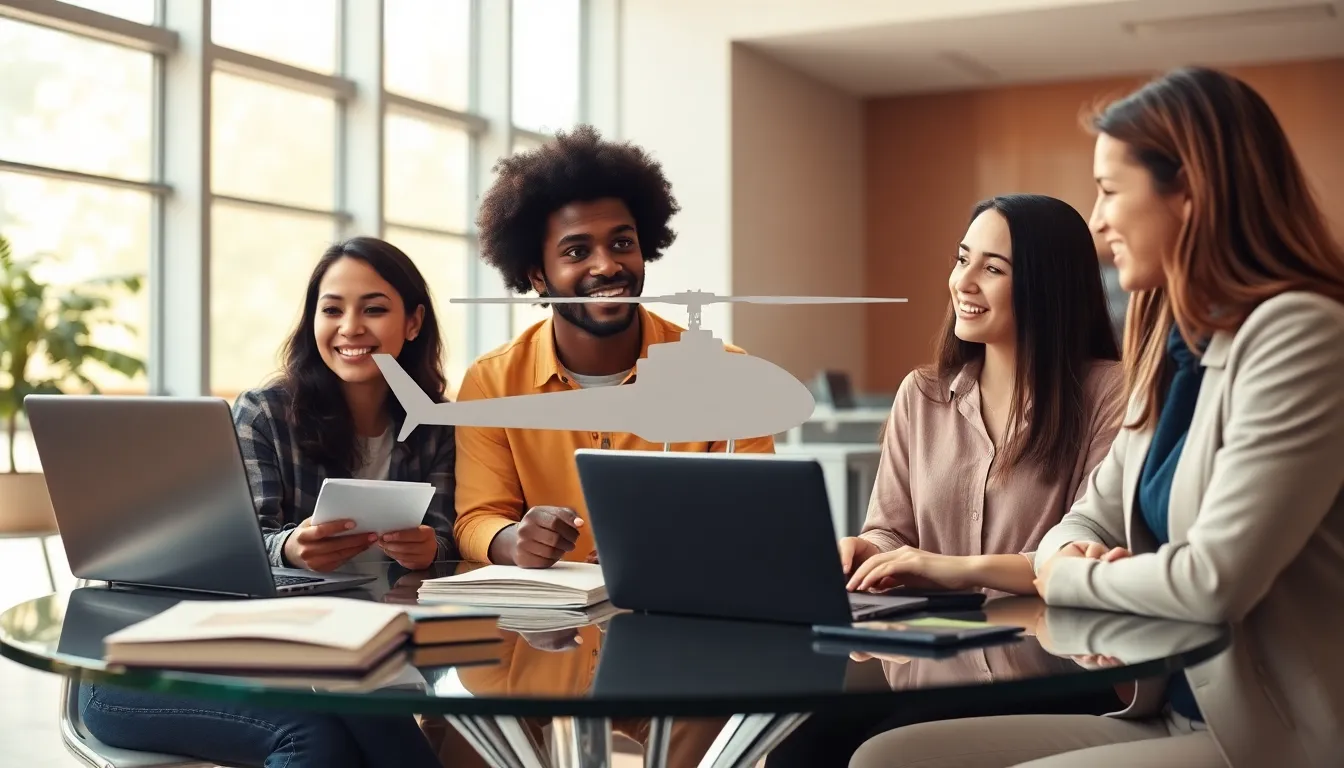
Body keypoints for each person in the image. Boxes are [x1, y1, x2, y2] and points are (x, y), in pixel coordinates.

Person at [847, 66, 1344, 768]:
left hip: (1269, 734)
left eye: (1111, 191)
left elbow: (1209, 584)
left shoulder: (1301, 334)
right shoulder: (1171, 347)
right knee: (886, 759)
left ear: (1191, 192)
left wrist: (1064, 576)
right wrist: (1067, 556)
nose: (1098, 218)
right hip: (1166, 709)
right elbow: (1082, 523)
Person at [764, 194, 1127, 767]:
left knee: (872, 758)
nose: (964, 282)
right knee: (795, 751)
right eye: (963, 259)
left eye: (993, 268)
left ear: (1048, 284)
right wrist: (866, 552)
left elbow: (1089, 552)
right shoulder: (922, 395)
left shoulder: (1110, 392)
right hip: (930, 678)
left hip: (1049, 682)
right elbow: (889, 529)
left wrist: (942, 566)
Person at [77, 236, 452, 768]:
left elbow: (445, 535)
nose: (350, 328)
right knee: (323, 736)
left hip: (330, 660)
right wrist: (290, 549)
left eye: (374, 309)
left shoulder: (435, 424)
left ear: (412, 323)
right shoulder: (265, 414)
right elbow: (237, 547)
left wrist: (425, 549)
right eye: (332, 309)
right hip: (163, 660)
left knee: (352, 707)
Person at [452, 124, 774, 570]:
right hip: (545, 631)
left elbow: (753, 515)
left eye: (622, 243)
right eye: (576, 252)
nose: (607, 266)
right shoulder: (491, 382)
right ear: (538, 276)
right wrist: (512, 540)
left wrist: (680, 538)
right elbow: (476, 519)